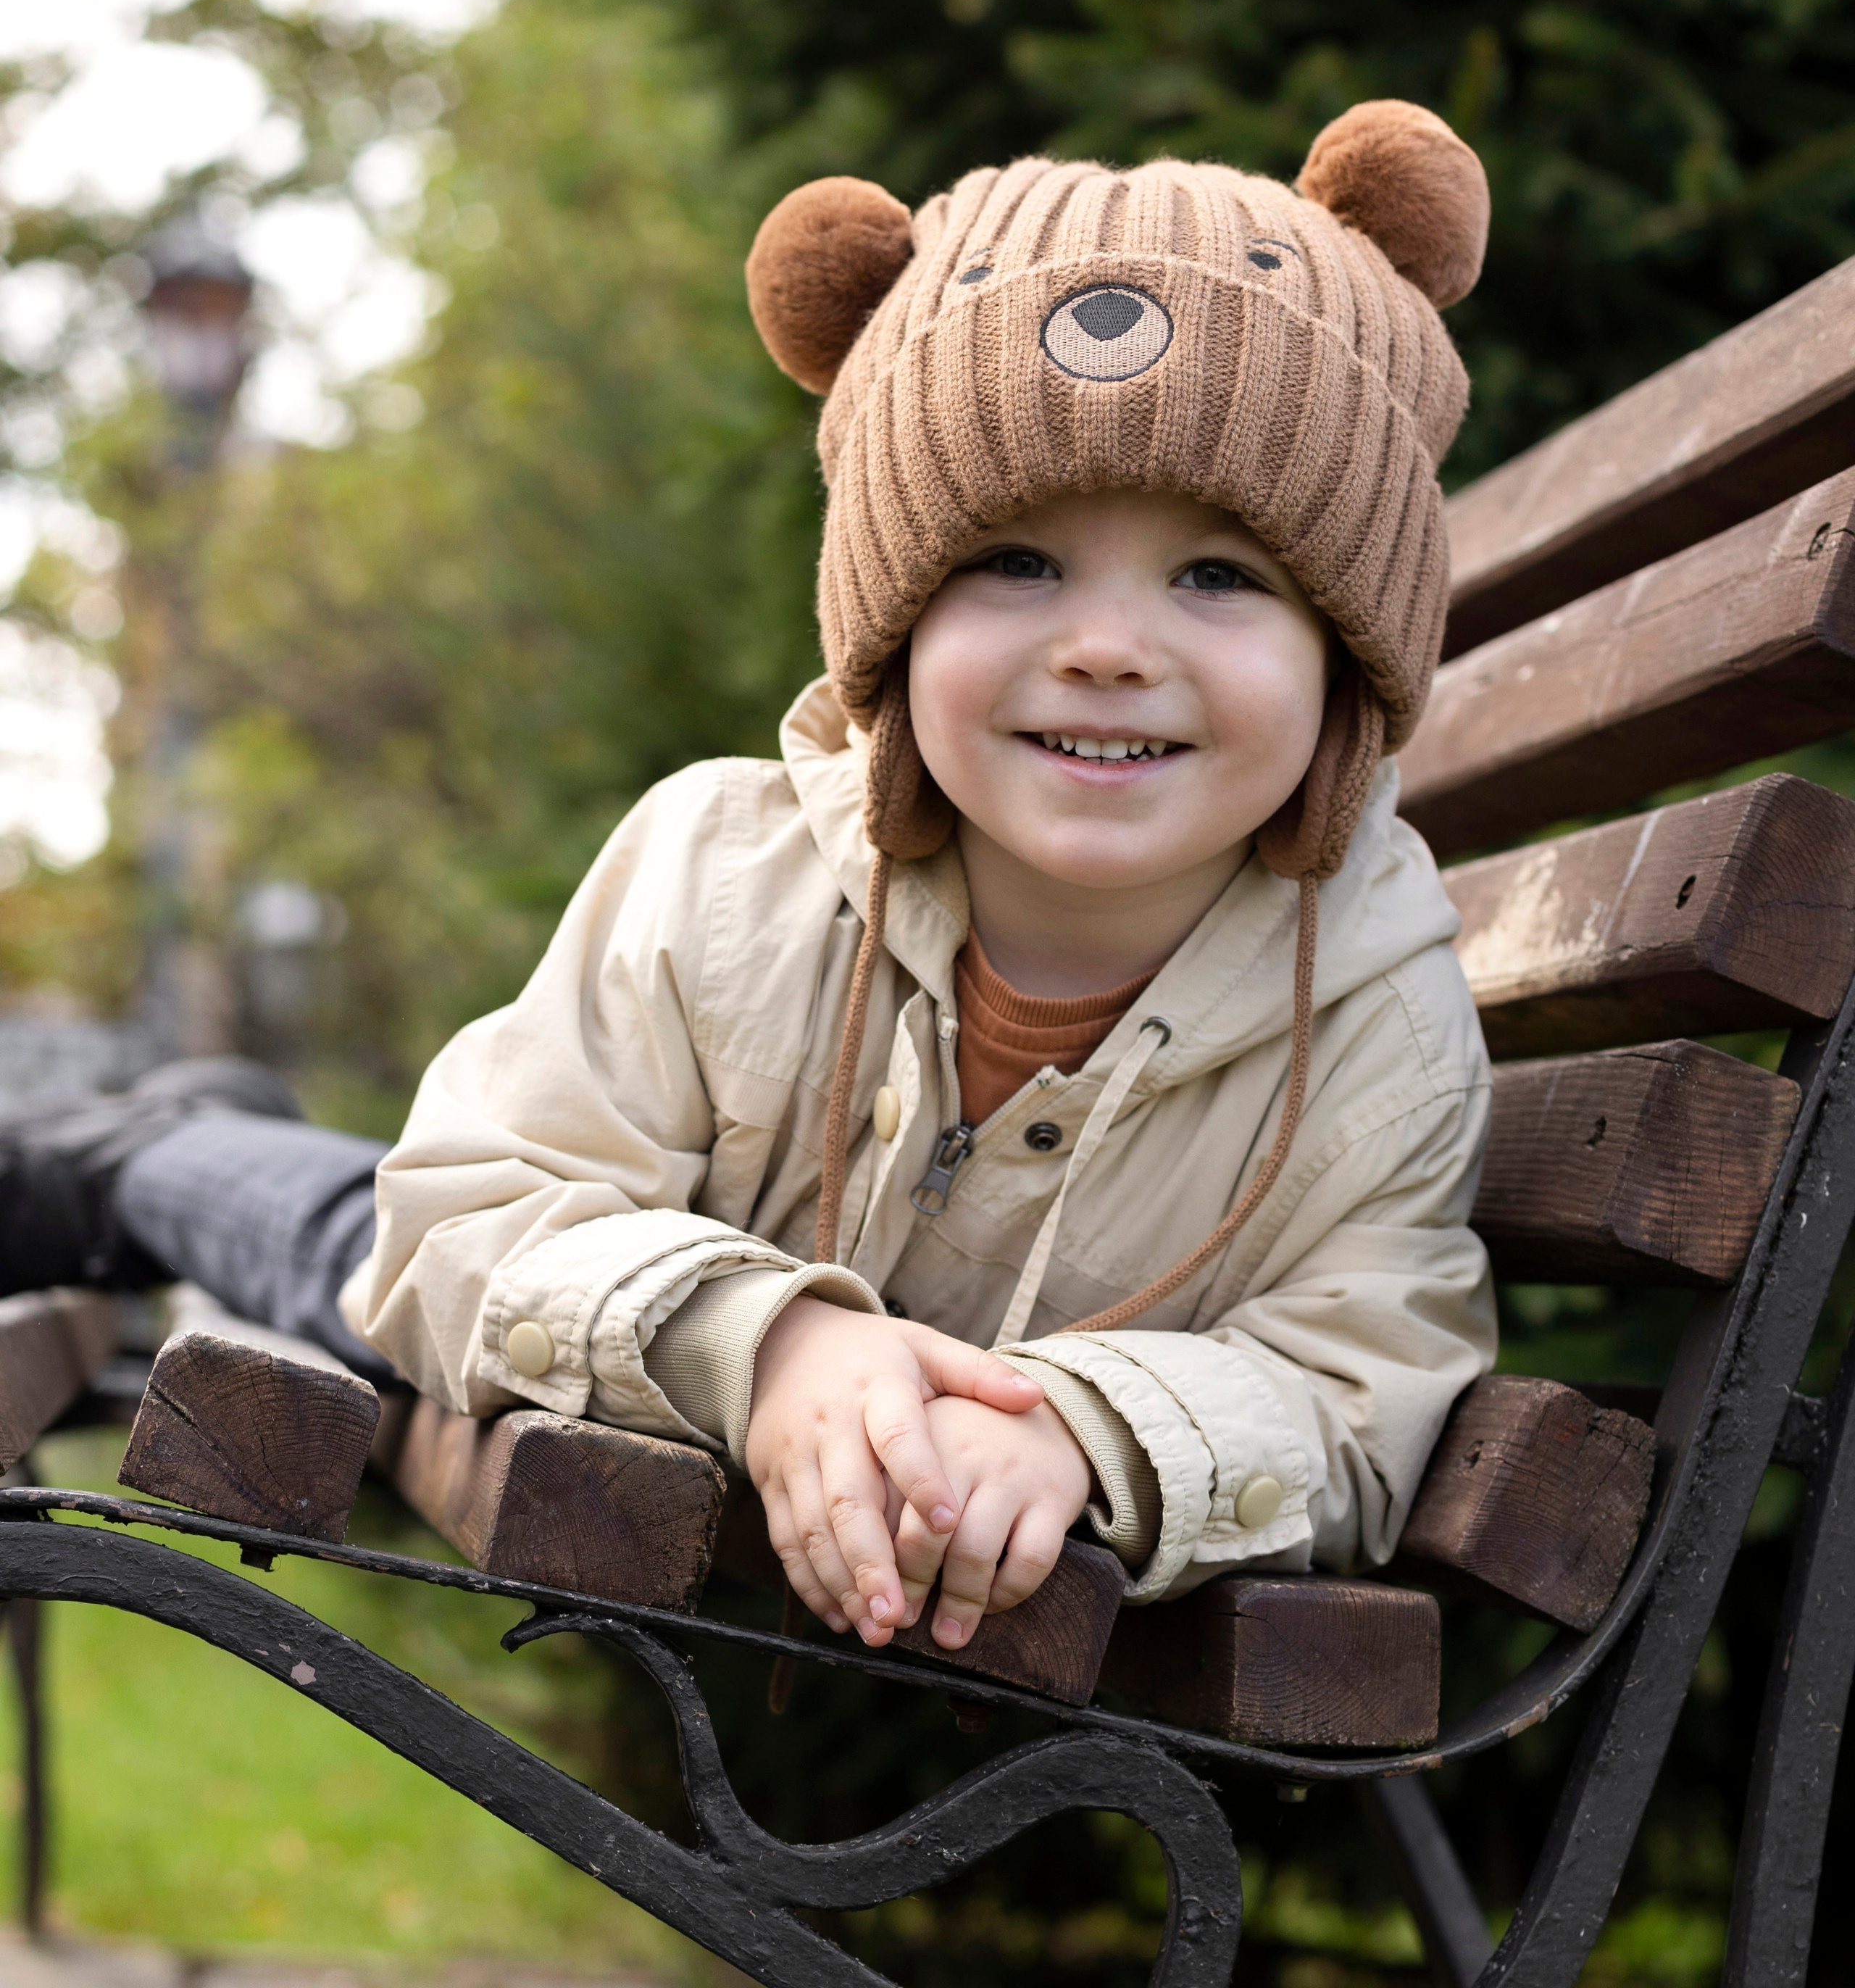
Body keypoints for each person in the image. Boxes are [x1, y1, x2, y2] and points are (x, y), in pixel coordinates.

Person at [1, 100, 1497, 1658]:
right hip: (552, 1308)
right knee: (327, 1240)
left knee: (336, 1223)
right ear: (889, 628)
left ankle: (174, 1132)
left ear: (1347, 661)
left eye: (1219, 575)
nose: (1110, 646)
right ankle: (144, 1155)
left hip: (665, 1358)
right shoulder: (724, 867)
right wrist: (767, 1345)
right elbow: (451, 1220)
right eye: (1016, 561)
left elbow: (1360, 1376)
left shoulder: (1372, 1018)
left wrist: (1083, 1429)